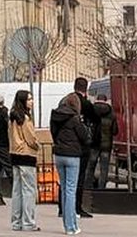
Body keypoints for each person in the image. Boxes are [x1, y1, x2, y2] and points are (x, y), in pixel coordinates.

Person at [51, 93, 93, 235]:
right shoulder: (75, 119)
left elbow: (53, 134)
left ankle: (66, 223)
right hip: (73, 156)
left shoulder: (55, 116)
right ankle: (71, 226)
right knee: (70, 190)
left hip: (59, 154)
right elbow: (85, 138)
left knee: (64, 188)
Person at [9, 90, 41, 232]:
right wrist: (37, 146)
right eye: (29, 99)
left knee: (17, 191)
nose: (31, 102)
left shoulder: (13, 117)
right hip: (27, 154)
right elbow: (31, 138)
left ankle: (16, 222)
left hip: (15, 153)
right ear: (23, 101)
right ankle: (28, 222)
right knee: (29, 191)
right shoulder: (25, 118)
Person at [71, 78, 96, 217]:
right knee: (80, 177)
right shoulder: (85, 104)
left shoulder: (66, 102)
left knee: (67, 179)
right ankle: (78, 207)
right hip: (81, 146)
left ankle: (63, 208)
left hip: (66, 145)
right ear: (85, 89)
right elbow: (94, 119)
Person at [89, 93, 118, 189]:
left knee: (90, 167)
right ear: (106, 100)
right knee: (104, 169)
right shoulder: (111, 113)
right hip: (106, 146)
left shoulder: (91, 110)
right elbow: (115, 131)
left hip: (93, 144)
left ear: (97, 99)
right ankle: (101, 189)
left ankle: (89, 187)